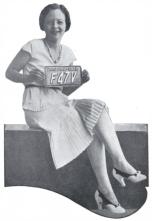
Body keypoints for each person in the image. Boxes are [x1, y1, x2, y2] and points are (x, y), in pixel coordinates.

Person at [5, 3, 146, 214]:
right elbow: (9, 72)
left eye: (60, 21)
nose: (55, 26)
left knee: (97, 107)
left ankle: (119, 164)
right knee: (83, 121)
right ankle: (108, 192)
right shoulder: (32, 46)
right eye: (50, 21)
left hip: (59, 104)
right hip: (37, 108)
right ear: (43, 24)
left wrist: (80, 81)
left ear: (66, 25)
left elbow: (63, 91)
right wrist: (29, 77)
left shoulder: (68, 53)